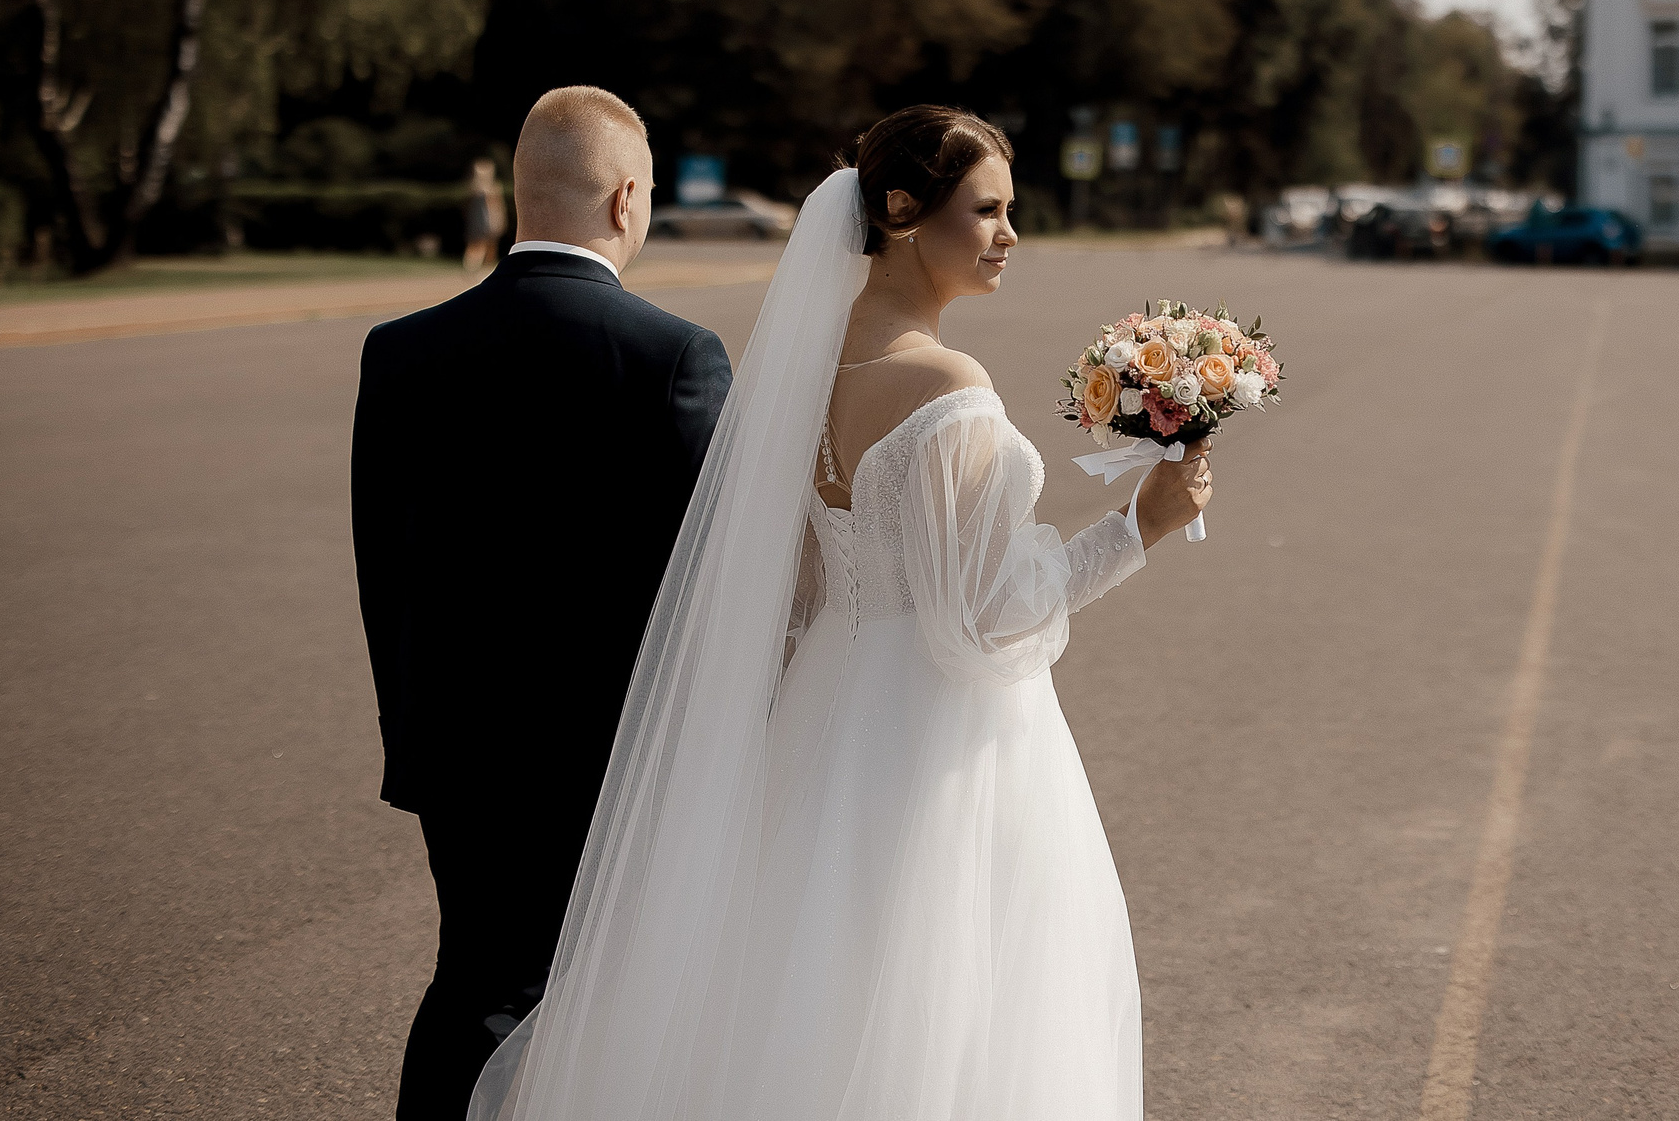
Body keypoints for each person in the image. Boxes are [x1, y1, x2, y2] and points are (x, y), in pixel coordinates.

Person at [465, 105, 1212, 1121]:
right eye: (985, 210)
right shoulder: (950, 386)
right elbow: (988, 623)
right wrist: (1140, 526)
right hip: (939, 740)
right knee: (951, 1000)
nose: (1008, 236)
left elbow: (807, 589)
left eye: (1011, 212)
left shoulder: (802, 376)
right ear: (902, 211)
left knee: (802, 977)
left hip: (824, 706)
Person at [352, 86, 733, 1121]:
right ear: (623, 201)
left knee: (477, 985)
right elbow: (712, 571)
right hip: (610, 756)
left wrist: (410, 730)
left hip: (455, 745)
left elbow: (381, 567)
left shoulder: (401, 350)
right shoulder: (673, 357)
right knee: (598, 993)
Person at [460, 159, 507, 274]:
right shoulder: (480, 188)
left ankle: (480, 267)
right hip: (484, 219)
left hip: (485, 218)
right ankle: (477, 267)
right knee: (482, 243)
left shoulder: (481, 188)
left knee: (485, 244)